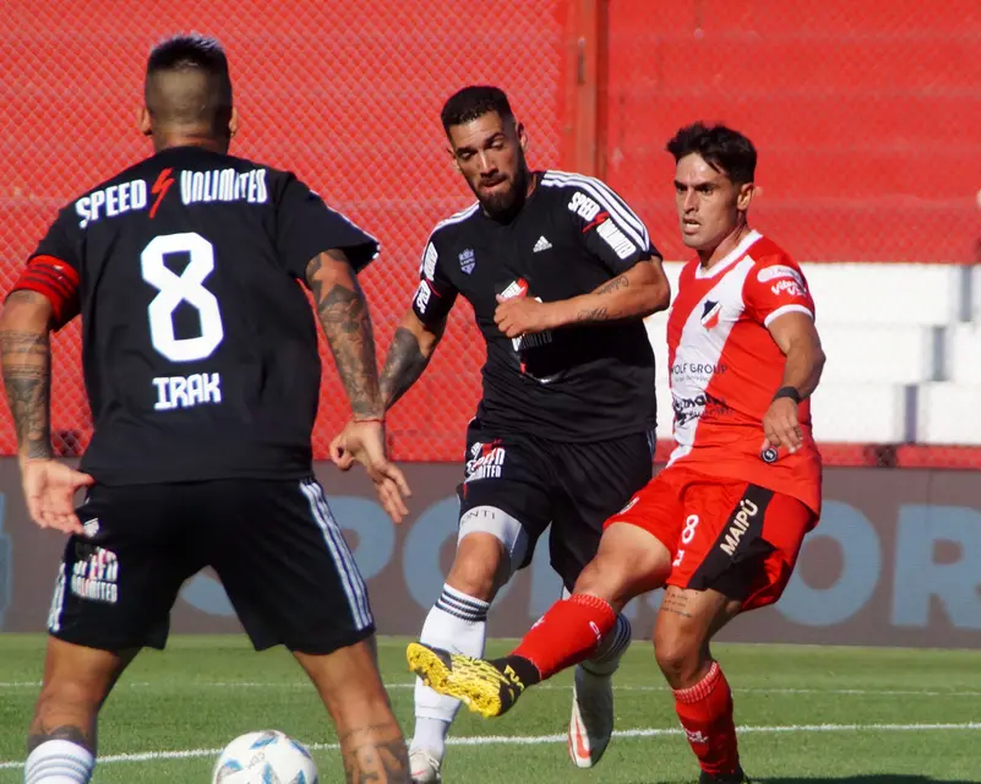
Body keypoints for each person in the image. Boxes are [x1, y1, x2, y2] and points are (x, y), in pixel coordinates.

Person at [2, 34, 413, 783]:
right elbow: (333, 278)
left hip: (130, 481)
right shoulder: (272, 193)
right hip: (260, 478)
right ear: (231, 119)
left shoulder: (88, 213)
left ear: (143, 119)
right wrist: (367, 412)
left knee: (66, 702)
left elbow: (24, 310)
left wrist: (34, 454)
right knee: (364, 714)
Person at [405, 121, 826, 784]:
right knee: (603, 574)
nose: (689, 204)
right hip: (690, 471)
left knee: (676, 644)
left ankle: (723, 778)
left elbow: (804, 344)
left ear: (744, 196)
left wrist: (787, 394)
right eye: (681, 189)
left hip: (760, 477)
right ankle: (509, 676)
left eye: (707, 190)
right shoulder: (697, 276)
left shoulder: (765, 270)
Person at [331, 85, 670, 781]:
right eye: (468, 154)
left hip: (608, 432)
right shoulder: (451, 242)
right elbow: (421, 327)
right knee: (475, 562)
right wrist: (371, 410)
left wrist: (552, 312)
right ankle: (423, 755)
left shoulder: (578, 202)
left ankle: (596, 673)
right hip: (514, 427)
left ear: (520, 136)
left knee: (593, 605)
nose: (486, 164)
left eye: (495, 145)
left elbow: (651, 284)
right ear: (453, 159)